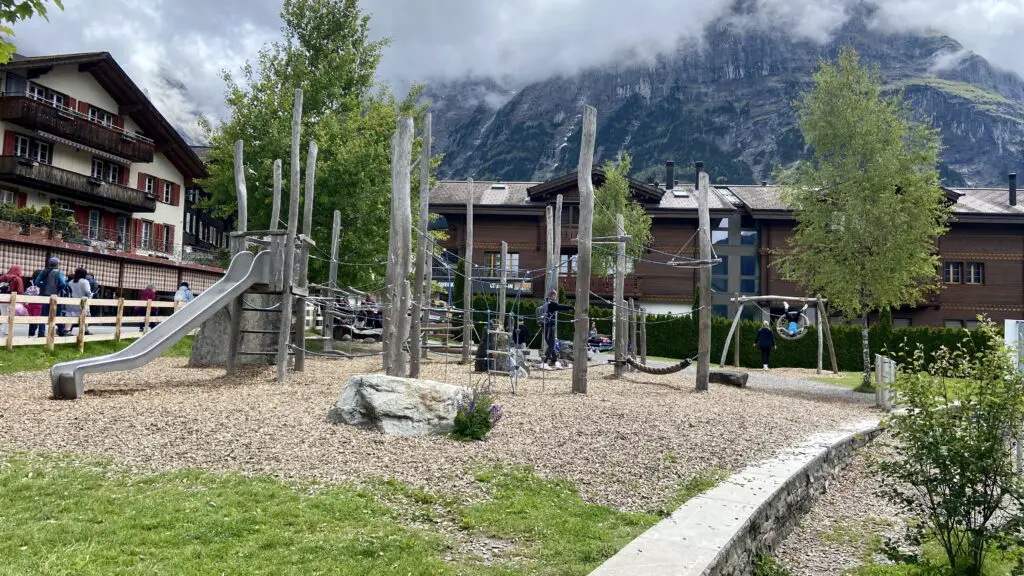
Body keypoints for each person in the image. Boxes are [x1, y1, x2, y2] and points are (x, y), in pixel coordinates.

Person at [33, 257, 67, 338]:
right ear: (57, 264)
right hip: (55, 296)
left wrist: (43, 286)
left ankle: (41, 333)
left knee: (43, 315)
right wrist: (58, 288)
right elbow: (63, 284)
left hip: (44, 296)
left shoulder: (44, 271)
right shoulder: (58, 272)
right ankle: (61, 331)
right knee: (58, 314)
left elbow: (36, 282)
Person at [540, 289, 574, 370]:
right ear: (552, 296)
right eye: (555, 295)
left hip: (545, 326)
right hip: (550, 326)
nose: (555, 297)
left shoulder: (545, 304)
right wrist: (571, 307)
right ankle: (544, 362)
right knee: (552, 344)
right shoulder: (552, 304)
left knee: (551, 344)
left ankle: (554, 360)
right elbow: (560, 307)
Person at [65, 268, 93, 336]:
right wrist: (91, 295)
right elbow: (87, 292)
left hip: (72, 302)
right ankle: (85, 330)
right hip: (82, 301)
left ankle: (67, 330)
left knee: (70, 316)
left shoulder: (70, 282)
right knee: (85, 316)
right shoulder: (85, 281)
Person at [0, 264, 24, 337]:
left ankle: (2, 328)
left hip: (1, 300)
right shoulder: (17, 279)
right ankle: (7, 331)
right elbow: (20, 291)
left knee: (3, 314)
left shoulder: (2, 277)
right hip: (11, 300)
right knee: (10, 316)